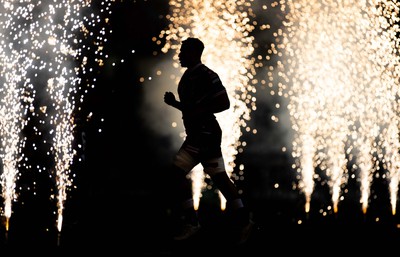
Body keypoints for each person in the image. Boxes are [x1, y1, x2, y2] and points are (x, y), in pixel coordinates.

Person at [163, 37, 254, 245]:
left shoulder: (207, 75)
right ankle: (243, 221)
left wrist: (195, 109)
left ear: (194, 53)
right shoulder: (189, 76)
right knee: (220, 178)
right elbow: (192, 108)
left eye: (183, 51)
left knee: (176, 174)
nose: (179, 55)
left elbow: (224, 102)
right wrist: (176, 105)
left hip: (203, 135)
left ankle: (191, 222)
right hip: (203, 135)